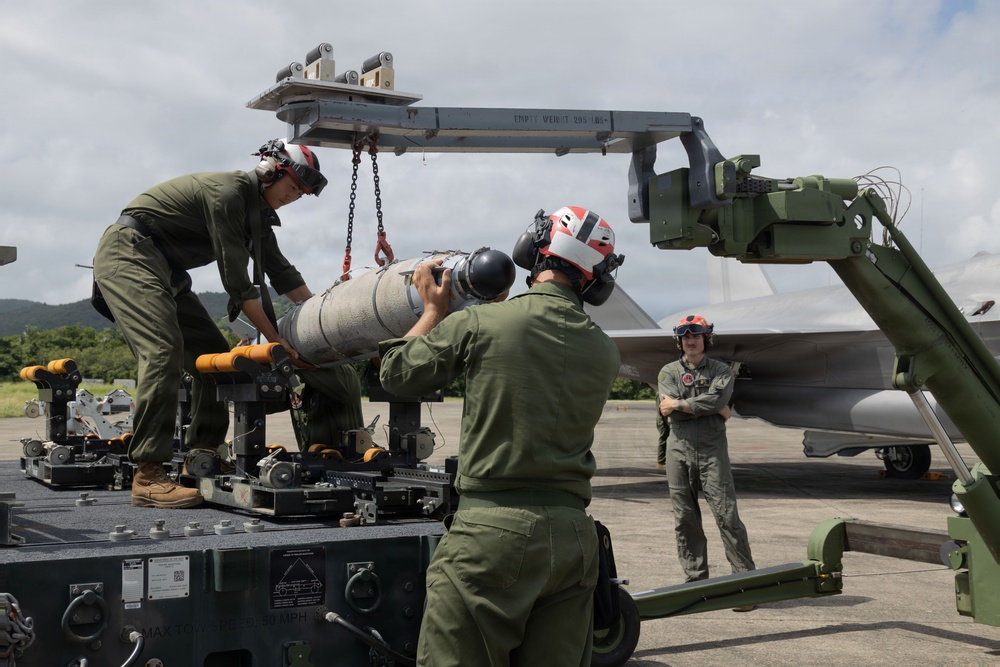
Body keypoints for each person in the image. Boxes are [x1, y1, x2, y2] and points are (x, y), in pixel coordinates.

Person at [379, 206, 624, 667]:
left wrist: (434, 310)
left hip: (491, 535)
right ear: (595, 276)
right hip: (574, 539)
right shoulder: (604, 349)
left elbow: (396, 374)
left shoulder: (482, 323)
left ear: (534, 250)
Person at [92, 138, 327, 509]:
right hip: (131, 252)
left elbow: (282, 273)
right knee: (162, 351)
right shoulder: (229, 194)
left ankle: (203, 454)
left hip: (164, 269)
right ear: (269, 171)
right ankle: (148, 474)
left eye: (301, 193)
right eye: (292, 186)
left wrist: (322, 315)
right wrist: (277, 342)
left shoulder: (256, 216)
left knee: (215, 359)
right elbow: (238, 285)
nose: (294, 196)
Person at [658, 315, 756, 604]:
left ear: (706, 339)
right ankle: (695, 583)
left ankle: (745, 585)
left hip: (712, 452)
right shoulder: (668, 372)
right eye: (686, 337)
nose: (691, 341)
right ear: (680, 341)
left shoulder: (721, 370)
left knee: (727, 516)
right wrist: (711, 406)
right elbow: (666, 409)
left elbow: (716, 398)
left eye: (696, 336)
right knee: (685, 518)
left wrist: (682, 404)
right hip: (679, 450)